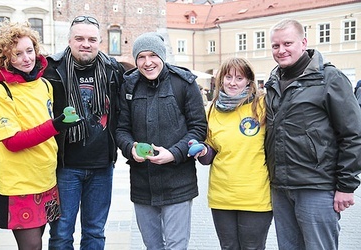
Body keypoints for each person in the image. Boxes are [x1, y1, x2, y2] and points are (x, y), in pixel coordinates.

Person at [0, 20, 81, 250]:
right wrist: (56, 125)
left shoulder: (43, 84)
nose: (27, 58)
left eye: (30, 51)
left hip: (46, 178)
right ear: (5, 58)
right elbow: (13, 142)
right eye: (18, 54)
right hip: (18, 184)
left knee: (44, 241)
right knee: (32, 247)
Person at [265, 19, 361, 249]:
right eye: (275, 45)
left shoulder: (329, 78)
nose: (281, 50)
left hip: (316, 186)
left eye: (287, 43)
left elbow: (353, 134)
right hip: (281, 187)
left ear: (303, 42)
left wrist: (346, 186)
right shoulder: (273, 81)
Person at [116, 32, 207, 249]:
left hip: (178, 182)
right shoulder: (129, 86)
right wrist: (131, 148)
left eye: (153, 55)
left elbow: (198, 128)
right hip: (142, 184)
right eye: (141, 57)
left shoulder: (183, 84)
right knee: (152, 245)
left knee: (176, 245)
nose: (148, 63)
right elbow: (121, 130)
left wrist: (174, 153)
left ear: (162, 56)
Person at [43, 15, 125, 249]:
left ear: (100, 42)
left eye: (91, 39)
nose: (85, 44)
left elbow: (136, 91)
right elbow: (22, 87)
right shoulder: (51, 68)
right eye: (79, 38)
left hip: (102, 166)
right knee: (60, 233)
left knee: (95, 232)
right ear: (69, 41)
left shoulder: (112, 69)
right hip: (64, 166)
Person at [196, 57, 272, 249]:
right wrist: (202, 151)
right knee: (228, 247)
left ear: (249, 80)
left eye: (239, 78)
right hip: (222, 195)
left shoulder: (262, 105)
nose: (232, 82)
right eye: (228, 77)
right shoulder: (211, 110)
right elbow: (211, 150)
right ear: (221, 79)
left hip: (256, 196)